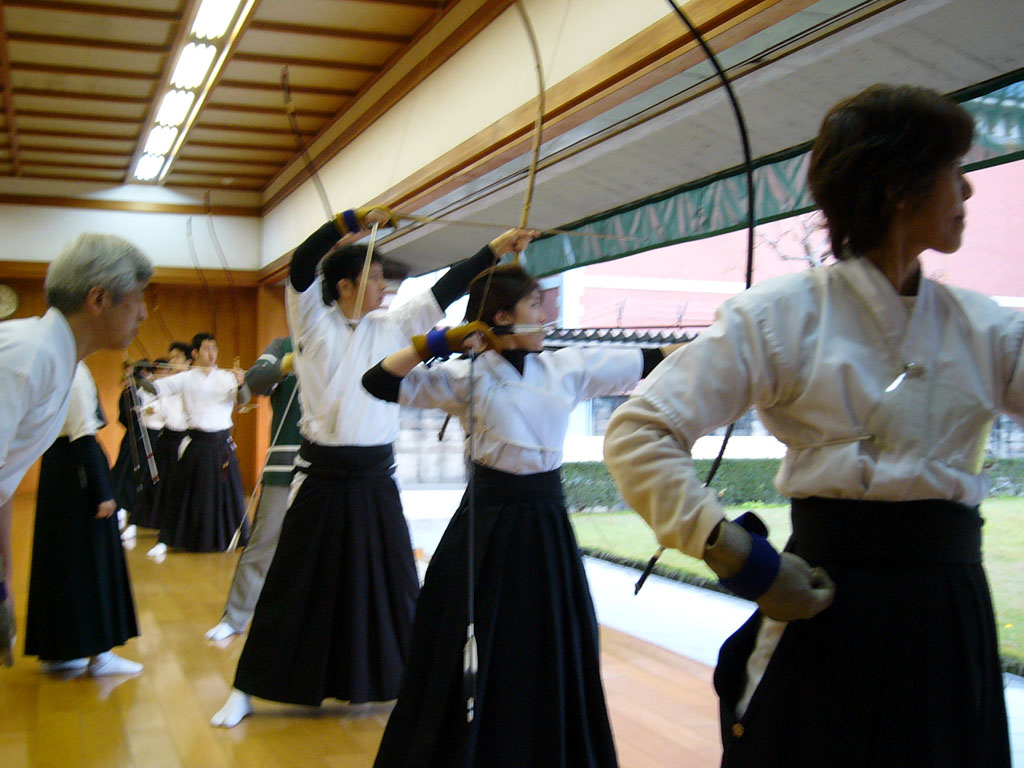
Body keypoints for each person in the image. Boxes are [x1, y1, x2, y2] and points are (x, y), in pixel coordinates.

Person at [603, 84, 1013, 767]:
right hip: (822, 598)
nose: (967, 190)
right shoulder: (781, 315)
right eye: (953, 170)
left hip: (947, 608)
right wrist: (739, 556)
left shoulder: (986, 326)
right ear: (897, 187)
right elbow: (639, 430)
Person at [211, 207, 535, 727]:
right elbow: (303, 263)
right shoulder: (311, 321)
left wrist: (495, 248)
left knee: (397, 582)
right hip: (319, 476)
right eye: (376, 277)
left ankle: (416, 688)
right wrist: (350, 222)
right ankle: (247, 688)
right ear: (344, 286)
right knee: (293, 583)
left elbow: (448, 288)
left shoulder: (395, 326)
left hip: (375, 476)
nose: (385, 286)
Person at [364, 263, 682, 767]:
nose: (545, 316)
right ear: (501, 317)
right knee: (471, 637)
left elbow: (650, 358)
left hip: (545, 525)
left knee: (551, 641)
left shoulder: (567, 367)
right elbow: (378, 381)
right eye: (534, 305)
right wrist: (438, 342)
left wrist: (708, 345)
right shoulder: (465, 375)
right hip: (486, 523)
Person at [0, 233, 151, 666]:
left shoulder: (58, 360)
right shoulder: (28, 357)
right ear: (99, 299)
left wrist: (4, 583)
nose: (143, 313)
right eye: (138, 299)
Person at [23, 362, 141, 676]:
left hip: (59, 469)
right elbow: (83, 436)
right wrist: (102, 492)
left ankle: (61, 650)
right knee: (90, 560)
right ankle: (100, 654)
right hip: (78, 471)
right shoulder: (72, 370)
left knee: (63, 561)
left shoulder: (57, 366)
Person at [206, 336, 299, 641]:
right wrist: (290, 361)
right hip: (284, 465)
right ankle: (235, 617)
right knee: (263, 543)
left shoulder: (349, 341)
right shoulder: (284, 345)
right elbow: (256, 380)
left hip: (334, 465)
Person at [147, 333, 248, 555]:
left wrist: (241, 384)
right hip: (198, 443)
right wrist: (140, 380)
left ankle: (230, 538)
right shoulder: (185, 378)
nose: (211, 353)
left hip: (221, 443)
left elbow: (242, 399)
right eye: (206, 348)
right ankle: (168, 539)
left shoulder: (226, 377)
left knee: (228, 493)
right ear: (195, 353)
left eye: (214, 348)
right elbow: (157, 389)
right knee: (183, 492)